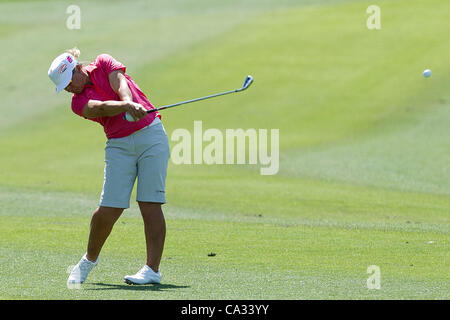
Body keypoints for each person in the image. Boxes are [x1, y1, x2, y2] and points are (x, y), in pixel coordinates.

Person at [47, 48, 170, 285]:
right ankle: (88, 260)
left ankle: (151, 270)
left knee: (150, 203)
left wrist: (128, 101)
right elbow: (99, 108)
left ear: (77, 69)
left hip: (151, 136)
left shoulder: (104, 62)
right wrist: (126, 108)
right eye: (64, 88)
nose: (69, 89)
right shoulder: (77, 103)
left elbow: (119, 81)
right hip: (119, 146)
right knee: (109, 208)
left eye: (69, 82)